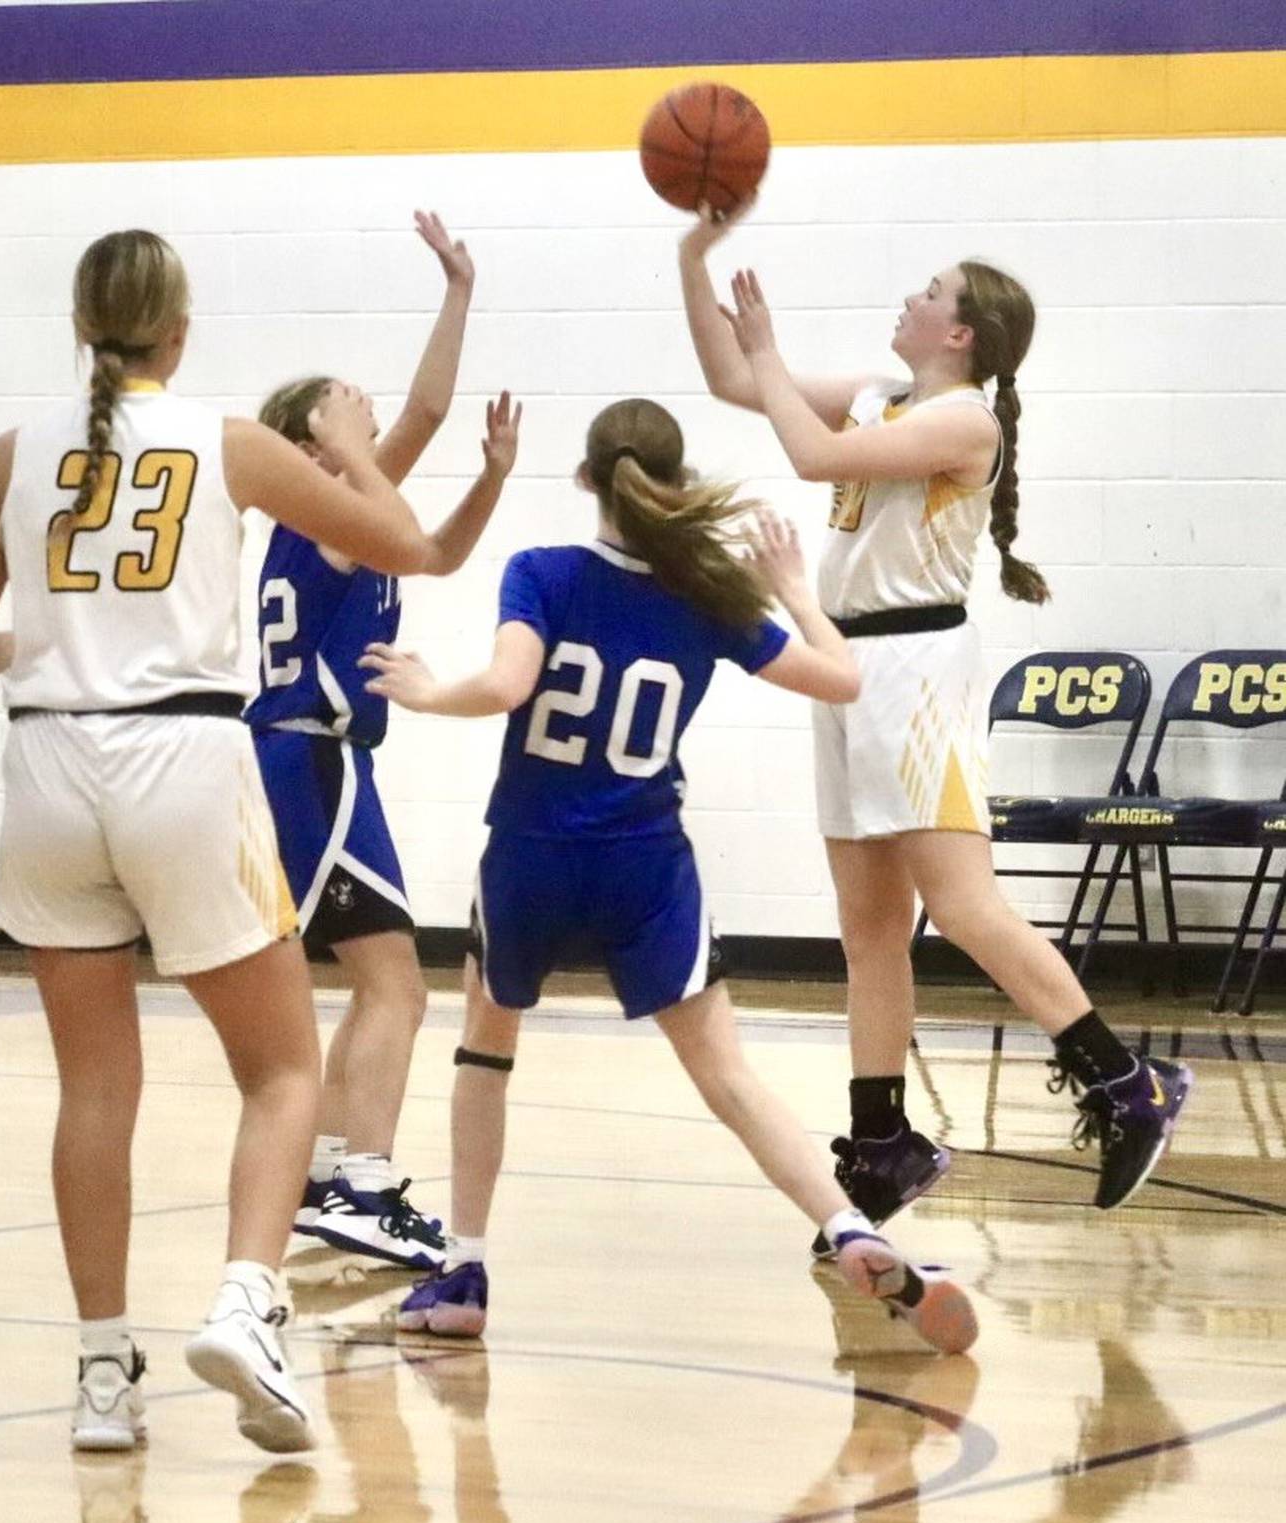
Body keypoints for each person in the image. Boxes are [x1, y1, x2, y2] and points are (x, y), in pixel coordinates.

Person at [0, 228, 437, 1455]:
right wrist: (367, 453)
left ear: (79, 322)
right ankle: (247, 1305)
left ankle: (104, 1371)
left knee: (95, 1087)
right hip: (183, 763)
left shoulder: (11, 452)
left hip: (48, 767)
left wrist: (48, 656)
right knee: (279, 1070)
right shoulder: (229, 440)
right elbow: (410, 541)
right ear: (180, 328)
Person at [361, 398, 978, 1355]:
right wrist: (793, 586)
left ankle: (466, 1267)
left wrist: (430, 690)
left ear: (586, 480)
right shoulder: (711, 594)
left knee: (486, 1053)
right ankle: (847, 1224)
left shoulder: (544, 573)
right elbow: (845, 678)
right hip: (646, 862)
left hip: (532, 853)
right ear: (677, 484)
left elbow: (507, 686)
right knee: (728, 1076)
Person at [678, 206, 1191, 1246]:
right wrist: (693, 258)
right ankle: (884, 1142)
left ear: (960, 333)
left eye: (929, 291)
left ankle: (1126, 1078)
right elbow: (736, 386)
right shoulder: (885, 395)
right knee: (868, 926)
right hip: (848, 661)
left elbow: (815, 454)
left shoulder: (967, 423)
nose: (910, 298)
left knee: (960, 904)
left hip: (918, 671)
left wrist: (771, 349)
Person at [245, 212, 520, 1273]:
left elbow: (433, 525)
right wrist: (366, 445)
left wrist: (459, 286)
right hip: (307, 754)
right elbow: (404, 435)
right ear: (308, 450)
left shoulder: (350, 510)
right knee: (398, 984)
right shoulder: (321, 511)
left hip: (315, 760)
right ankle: (363, 1181)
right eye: (337, 410)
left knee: (377, 980)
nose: (362, 413)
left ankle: (330, 1171)